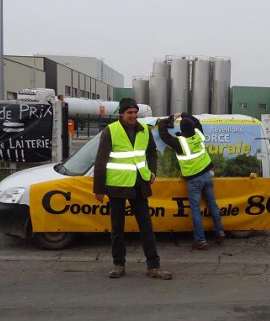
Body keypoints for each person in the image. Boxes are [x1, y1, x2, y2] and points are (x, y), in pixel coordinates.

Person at [93, 98, 172, 280]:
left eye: (135, 113)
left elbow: (152, 152)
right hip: (117, 187)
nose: (133, 116)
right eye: (130, 113)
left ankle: (154, 267)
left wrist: (152, 171)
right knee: (117, 229)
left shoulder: (144, 130)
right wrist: (99, 188)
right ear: (121, 114)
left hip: (139, 185)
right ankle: (119, 265)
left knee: (146, 227)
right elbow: (100, 161)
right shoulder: (111, 131)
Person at [158, 112, 225, 250]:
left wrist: (168, 119)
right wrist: (183, 114)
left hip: (194, 179)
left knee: (195, 209)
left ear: (181, 130)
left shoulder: (180, 143)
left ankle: (200, 240)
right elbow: (198, 122)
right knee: (213, 205)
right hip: (207, 175)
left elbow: (163, 134)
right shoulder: (199, 135)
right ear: (193, 127)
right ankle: (220, 231)